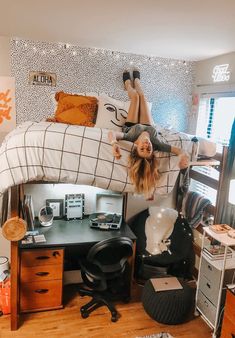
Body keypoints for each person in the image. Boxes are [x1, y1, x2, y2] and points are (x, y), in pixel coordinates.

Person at [108, 70, 189, 199]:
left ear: (136, 145)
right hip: (149, 127)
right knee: (143, 97)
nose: (146, 145)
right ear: (153, 150)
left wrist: (114, 144)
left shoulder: (131, 138)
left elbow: (112, 134)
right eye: (149, 149)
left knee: (135, 97)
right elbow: (179, 151)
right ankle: (137, 81)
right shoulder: (157, 143)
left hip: (132, 126)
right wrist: (182, 156)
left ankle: (128, 84)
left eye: (142, 148)